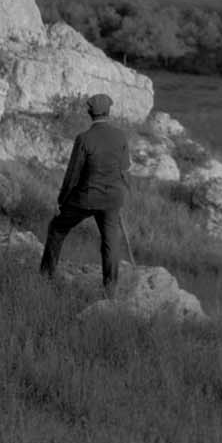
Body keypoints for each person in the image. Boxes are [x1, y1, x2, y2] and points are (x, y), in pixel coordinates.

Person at [39, 94, 132, 296]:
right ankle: (110, 289)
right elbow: (124, 170)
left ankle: (46, 277)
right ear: (109, 112)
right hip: (112, 198)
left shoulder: (84, 139)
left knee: (57, 229)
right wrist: (119, 195)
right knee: (110, 243)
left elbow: (73, 174)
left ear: (90, 113)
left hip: (85, 198)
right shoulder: (120, 136)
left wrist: (61, 201)